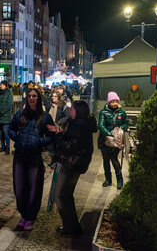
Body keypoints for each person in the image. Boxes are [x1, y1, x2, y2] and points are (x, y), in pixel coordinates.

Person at [47, 100, 97, 237]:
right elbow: (73, 142)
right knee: (67, 195)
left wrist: (58, 135)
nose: (70, 111)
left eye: (72, 109)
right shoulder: (84, 124)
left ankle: (70, 229)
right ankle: (73, 226)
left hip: (71, 164)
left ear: (78, 111)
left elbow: (68, 146)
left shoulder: (78, 126)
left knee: (60, 195)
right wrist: (61, 131)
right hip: (77, 163)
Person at [8, 88, 55, 231]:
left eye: (34, 96)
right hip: (20, 156)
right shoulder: (20, 114)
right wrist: (18, 139)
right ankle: (23, 214)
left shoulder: (45, 116)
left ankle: (31, 216)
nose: (31, 98)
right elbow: (10, 129)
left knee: (34, 188)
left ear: (38, 98)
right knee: (20, 188)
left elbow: (51, 136)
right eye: (29, 96)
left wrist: (38, 142)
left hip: (34, 157)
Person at [98, 92, 129, 190]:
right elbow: (101, 125)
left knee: (114, 158)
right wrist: (110, 134)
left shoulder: (122, 113)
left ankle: (119, 179)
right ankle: (108, 180)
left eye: (116, 101)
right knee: (106, 160)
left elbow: (126, 123)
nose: (114, 103)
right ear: (109, 102)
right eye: (112, 101)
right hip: (104, 140)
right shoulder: (103, 112)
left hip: (117, 141)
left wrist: (121, 129)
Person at [0, 80, 13, 155]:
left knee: (5, 132)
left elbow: (9, 105)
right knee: (0, 132)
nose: (1, 86)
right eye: (1, 84)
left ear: (6, 86)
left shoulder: (9, 94)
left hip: (5, 116)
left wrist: (1, 112)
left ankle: (7, 147)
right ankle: (2, 146)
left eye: (3, 85)